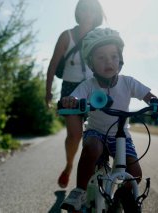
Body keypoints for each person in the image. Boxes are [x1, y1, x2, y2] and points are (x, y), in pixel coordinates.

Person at [59, 28, 158, 211]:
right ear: (91, 64)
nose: (108, 61)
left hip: (121, 134)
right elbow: (74, 99)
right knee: (92, 148)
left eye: (113, 56)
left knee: (135, 174)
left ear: (121, 59)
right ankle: (80, 191)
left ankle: (123, 195)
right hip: (96, 132)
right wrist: (70, 101)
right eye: (100, 57)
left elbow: (153, 100)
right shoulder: (88, 85)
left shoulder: (128, 82)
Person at [45, 0, 106, 188]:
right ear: (78, 12)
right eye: (84, 8)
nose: (88, 12)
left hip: (94, 88)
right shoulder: (67, 36)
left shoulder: (100, 36)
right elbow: (53, 64)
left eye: (92, 9)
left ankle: (97, 173)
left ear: (97, 13)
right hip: (69, 90)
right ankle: (70, 165)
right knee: (75, 135)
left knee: (98, 134)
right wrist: (47, 92)